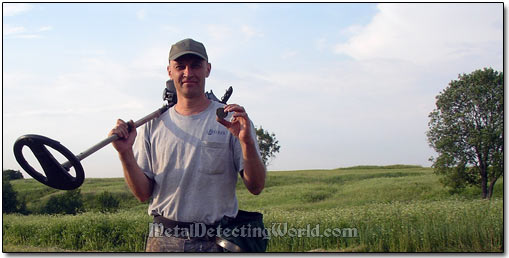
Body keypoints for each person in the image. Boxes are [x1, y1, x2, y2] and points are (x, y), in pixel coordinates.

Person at [109, 38, 266, 252]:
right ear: (169, 71)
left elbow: (256, 187)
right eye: (180, 66)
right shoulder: (152, 124)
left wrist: (246, 142)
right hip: (163, 240)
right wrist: (125, 153)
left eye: (195, 65)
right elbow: (142, 194)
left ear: (208, 69)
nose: (188, 72)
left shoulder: (231, 120)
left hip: (216, 242)